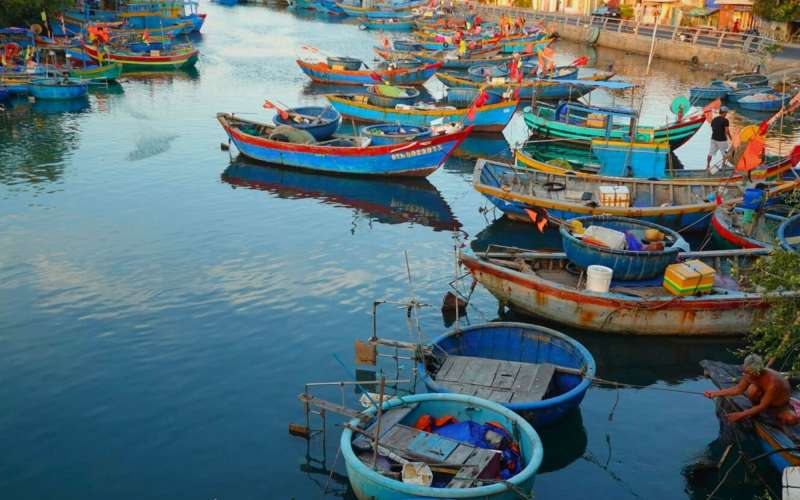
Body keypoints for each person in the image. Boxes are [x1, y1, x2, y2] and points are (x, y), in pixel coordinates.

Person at [705, 354, 799, 425]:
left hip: (778, 405)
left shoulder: (773, 383)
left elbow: (762, 406)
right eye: (747, 372)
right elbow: (738, 389)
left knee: (791, 419)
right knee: (752, 389)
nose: (749, 376)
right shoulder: (748, 374)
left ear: (760, 371)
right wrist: (715, 393)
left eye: (753, 373)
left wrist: (741, 415)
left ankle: (763, 413)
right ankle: (754, 408)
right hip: (762, 400)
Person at [707, 106, 732, 172]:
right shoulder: (725, 120)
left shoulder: (714, 119)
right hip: (722, 140)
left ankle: (708, 165)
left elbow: (713, 128)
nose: (726, 114)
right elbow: (727, 130)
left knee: (710, 153)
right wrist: (729, 137)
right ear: (724, 113)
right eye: (726, 113)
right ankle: (723, 165)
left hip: (713, 138)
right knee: (724, 153)